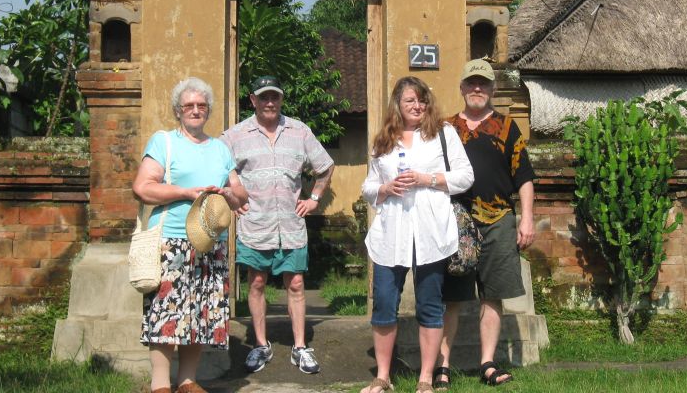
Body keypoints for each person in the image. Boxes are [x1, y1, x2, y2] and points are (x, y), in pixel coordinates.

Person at [133, 77, 248, 393]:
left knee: (201, 312)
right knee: (165, 311)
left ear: (208, 110)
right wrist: (184, 192)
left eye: (201, 105)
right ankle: (159, 384)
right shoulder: (164, 142)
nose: (196, 111)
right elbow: (143, 187)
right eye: (189, 106)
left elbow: (240, 195)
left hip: (211, 244)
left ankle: (187, 379)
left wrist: (229, 192)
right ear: (178, 111)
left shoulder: (221, 150)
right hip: (172, 243)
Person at [360, 76, 474, 393]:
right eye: (410, 100)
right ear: (398, 103)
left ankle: (425, 378)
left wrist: (428, 178)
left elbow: (466, 176)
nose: (417, 106)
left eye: (422, 100)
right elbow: (367, 187)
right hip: (391, 234)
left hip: (430, 232)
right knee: (384, 302)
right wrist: (385, 188)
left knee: (430, 304)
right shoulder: (383, 139)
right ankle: (383, 376)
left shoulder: (443, 134)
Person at [220, 75, 335, 375]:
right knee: (256, 283)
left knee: (296, 284)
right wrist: (232, 195)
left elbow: (325, 166)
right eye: (264, 97)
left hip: (291, 224)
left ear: (281, 99)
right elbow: (216, 167)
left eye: (275, 97)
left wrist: (314, 198)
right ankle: (260, 344)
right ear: (253, 100)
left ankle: (299, 347)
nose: (270, 102)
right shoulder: (235, 135)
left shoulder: (299, 130)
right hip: (254, 224)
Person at [433, 59, 536, 388]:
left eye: (484, 83)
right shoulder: (445, 129)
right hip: (457, 222)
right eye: (471, 83)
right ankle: (442, 365)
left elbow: (524, 178)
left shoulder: (508, 128)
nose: (477, 88)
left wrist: (528, 218)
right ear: (462, 88)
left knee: (493, 295)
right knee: (452, 297)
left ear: (492, 89)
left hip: (499, 220)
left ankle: (488, 363)